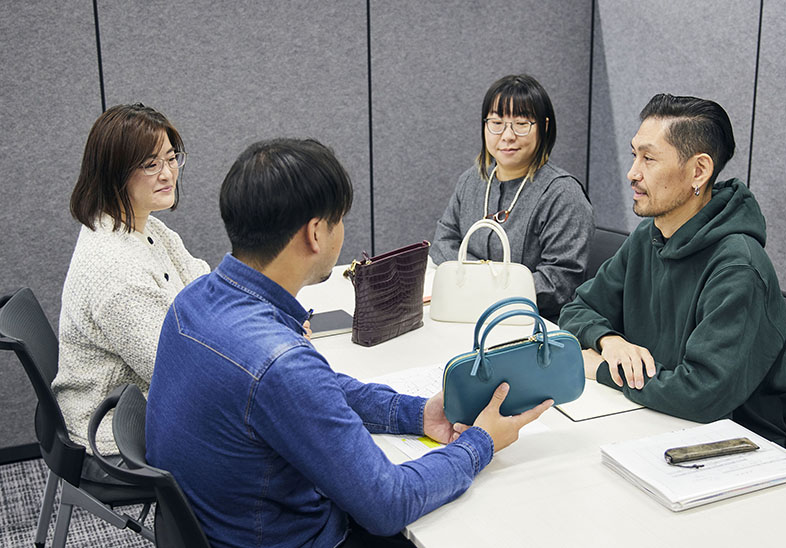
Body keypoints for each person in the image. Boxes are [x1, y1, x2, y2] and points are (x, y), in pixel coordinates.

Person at [146, 138, 553, 548]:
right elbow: (387, 503)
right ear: (316, 233)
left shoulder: (193, 301)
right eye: (339, 218)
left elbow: (317, 390)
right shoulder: (280, 364)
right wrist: (480, 442)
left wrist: (415, 414)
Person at [556, 94, 786, 448]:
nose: (632, 172)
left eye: (649, 159)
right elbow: (578, 308)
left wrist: (601, 368)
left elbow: (701, 394)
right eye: (634, 154)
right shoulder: (649, 235)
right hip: (653, 421)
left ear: (699, 170)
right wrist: (610, 341)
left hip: (735, 449)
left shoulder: (737, 266)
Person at [53, 103, 210, 458]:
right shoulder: (115, 271)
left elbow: (202, 284)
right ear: (114, 174)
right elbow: (182, 374)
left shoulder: (142, 223)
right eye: (150, 165)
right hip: (115, 429)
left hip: (149, 398)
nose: (168, 174)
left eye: (171, 158)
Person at [429, 74, 594, 320]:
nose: (507, 136)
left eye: (521, 123)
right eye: (496, 123)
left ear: (544, 127)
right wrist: (486, 285)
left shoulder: (563, 195)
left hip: (531, 325)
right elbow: (443, 244)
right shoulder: (472, 181)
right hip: (465, 315)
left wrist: (480, 289)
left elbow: (559, 281)